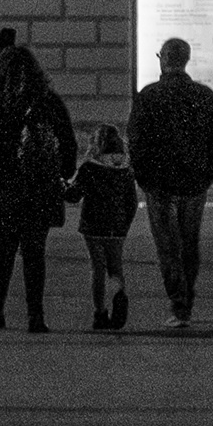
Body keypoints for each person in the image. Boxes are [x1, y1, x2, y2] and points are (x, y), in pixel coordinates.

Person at [0, 44, 75, 334]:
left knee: (3, 251)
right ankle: (35, 316)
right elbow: (68, 142)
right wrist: (62, 174)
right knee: (34, 252)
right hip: (40, 189)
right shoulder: (49, 101)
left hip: (5, 188)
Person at [127, 35, 213, 328]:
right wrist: (212, 170)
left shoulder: (149, 95)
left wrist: (143, 175)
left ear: (163, 59)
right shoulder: (205, 95)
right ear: (186, 60)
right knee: (189, 242)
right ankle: (187, 301)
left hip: (160, 184)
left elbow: (136, 140)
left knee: (167, 246)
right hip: (195, 182)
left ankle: (178, 303)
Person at [67, 121, 139, 331]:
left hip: (93, 225)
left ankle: (100, 313)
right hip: (117, 226)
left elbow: (74, 195)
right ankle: (119, 294)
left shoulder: (90, 168)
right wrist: (124, 224)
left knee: (98, 269)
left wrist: (63, 187)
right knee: (115, 268)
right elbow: (131, 202)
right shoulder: (126, 169)